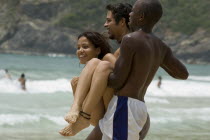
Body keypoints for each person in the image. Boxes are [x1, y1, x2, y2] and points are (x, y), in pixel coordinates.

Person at [63, 0, 189, 139]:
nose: (130, 14)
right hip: (137, 107)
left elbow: (117, 81)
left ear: (140, 17)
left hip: (124, 106)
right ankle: (82, 116)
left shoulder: (130, 39)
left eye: (133, 11)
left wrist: (97, 78)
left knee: (102, 65)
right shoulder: (160, 46)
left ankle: (83, 115)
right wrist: (156, 61)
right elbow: (182, 74)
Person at [60, 3, 150, 139]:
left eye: (109, 20)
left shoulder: (126, 49)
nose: (105, 24)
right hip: (116, 115)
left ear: (122, 22)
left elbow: (122, 81)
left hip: (125, 113)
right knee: (81, 78)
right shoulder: (122, 51)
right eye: (78, 47)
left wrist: (97, 75)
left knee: (100, 63)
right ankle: (77, 110)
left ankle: (80, 112)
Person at [59, 31, 116, 134]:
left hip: (116, 113)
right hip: (100, 119)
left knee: (94, 62)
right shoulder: (89, 73)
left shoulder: (107, 59)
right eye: (78, 48)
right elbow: (94, 121)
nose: (80, 51)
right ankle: (76, 109)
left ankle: (75, 107)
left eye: (85, 47)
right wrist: (75, 88)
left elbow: (125, 80)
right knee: (75, 81)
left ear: (98, 50)